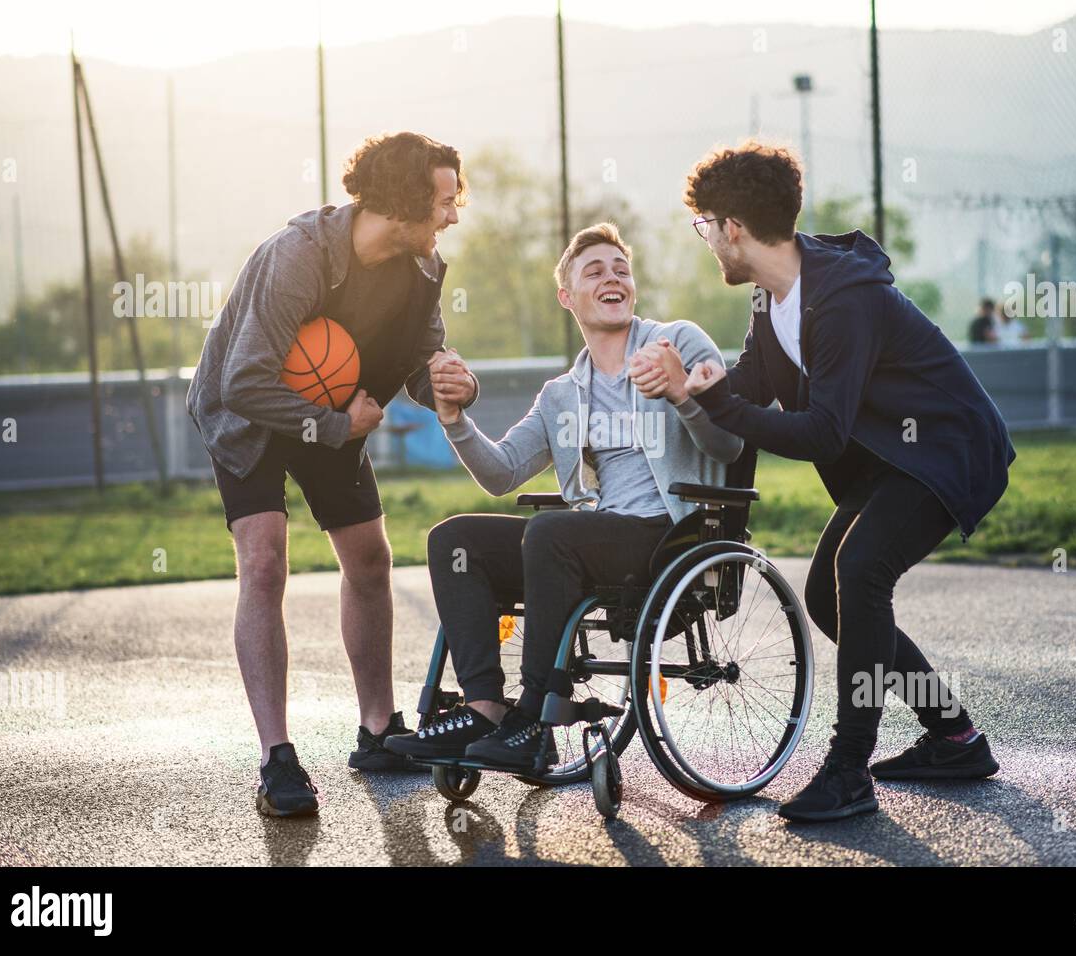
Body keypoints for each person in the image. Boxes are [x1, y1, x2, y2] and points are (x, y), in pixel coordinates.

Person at [631, 140, 1016, 822]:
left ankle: (847, 771)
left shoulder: (842, 301)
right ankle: (954, 737)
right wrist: (693, 387)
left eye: (705, 227)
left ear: (734, 229)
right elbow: (749, 388)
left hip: (946, 452)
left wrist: (719, 402)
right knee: (828, 598)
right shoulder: (770, 298)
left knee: (862, 570)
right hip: (890, 462)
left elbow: (822, 432)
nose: (707, 242)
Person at [186, 131, 479, 817]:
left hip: (336, 408)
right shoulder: (298, 258)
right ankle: (277, 759)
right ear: (405, 204)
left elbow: (419, 359)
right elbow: (242, 382)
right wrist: (332, 425)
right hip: (251, 414)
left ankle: (378, 729)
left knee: (370, 560)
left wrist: (446, 381)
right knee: (263, 563)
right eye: (443, 202)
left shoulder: (424, 265)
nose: (452, 216)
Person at [383, 222, 742, 771]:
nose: (612, 278)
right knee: (454, 539)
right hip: (593, 537)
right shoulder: (560, 394)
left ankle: (533, 714)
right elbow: (501, 473)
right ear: (566, 297)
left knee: (553, 530)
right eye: (594, 271)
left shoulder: (677, 342)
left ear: (633, 290)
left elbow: (730, 444)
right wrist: (453, 419)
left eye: (621, 270)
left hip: (671, 535)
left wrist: (680, 394)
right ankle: (484, 707)